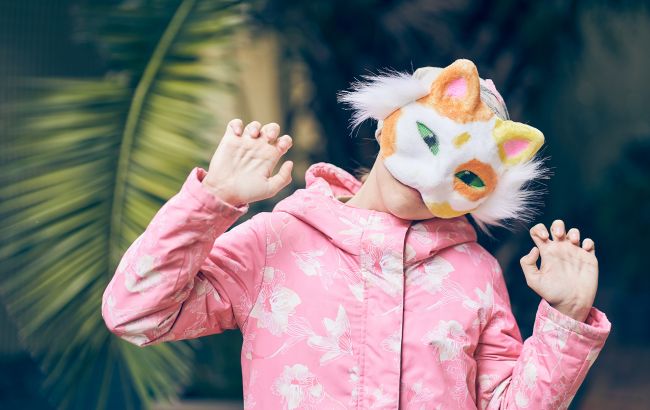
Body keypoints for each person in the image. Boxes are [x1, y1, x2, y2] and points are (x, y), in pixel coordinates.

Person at [102, 59, 611, 409]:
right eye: (428, 139)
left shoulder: (474, 274)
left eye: (466, 173)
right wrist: (210, 201)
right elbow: (136, 314)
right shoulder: (277, 241)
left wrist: (566, 319)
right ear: (387, 122)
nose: (431, 177)